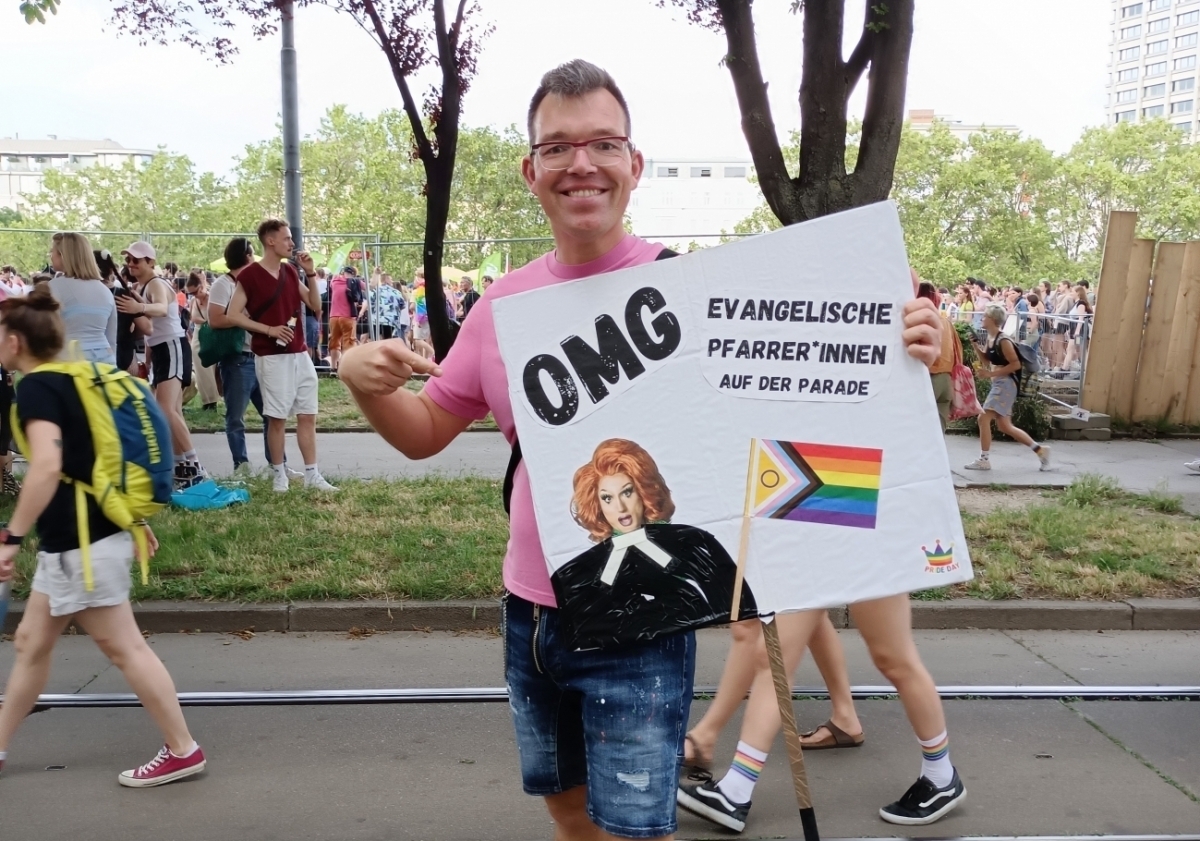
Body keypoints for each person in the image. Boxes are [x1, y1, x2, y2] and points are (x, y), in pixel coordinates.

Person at [339, 59, 944, 840]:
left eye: (602, 143)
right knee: (563, 804)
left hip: (639, 627)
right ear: (531, 171)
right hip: (529, 612)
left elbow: (814, 401)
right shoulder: (500, 305)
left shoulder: (694, 289)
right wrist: (365, 384)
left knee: (635, 827)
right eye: (557, 147)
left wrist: (918, 348)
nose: (580, 163)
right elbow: (425, 433)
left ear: (635, 165)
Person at [0, 287, 206, 787]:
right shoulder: (80, 380)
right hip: (85, 538)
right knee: (30, 642)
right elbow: (100, 458)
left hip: (80, 543)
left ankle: (182, 749)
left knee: (124, 648)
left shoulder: (36, 388)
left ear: (12, 343)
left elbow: (48, 466)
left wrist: (10, 537)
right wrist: (132, 520)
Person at [221, 220, 336, 493]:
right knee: (277, 417)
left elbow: (315, 306)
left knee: (307, 414)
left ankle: (312, 475)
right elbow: (233, 314)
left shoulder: (289, 270)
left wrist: (310, 274)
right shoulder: (249, 275)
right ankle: (279, 476)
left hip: (299, 354)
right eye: (286, 238)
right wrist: (269, 329)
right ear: (270, 241)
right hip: (270, 356)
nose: (292, 243)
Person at [114, 241, 206, 489]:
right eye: (129, 260)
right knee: (170, 412)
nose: (131, 264)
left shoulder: (155, 283)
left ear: (151, 262)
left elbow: (162, 308)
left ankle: (195, 468)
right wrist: (147, 360)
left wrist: (139, 307)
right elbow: (149, 332)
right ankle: (181, 467)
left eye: (137, 260)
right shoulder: (142, 286)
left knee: (166, 410)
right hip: (164, 350)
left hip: (173, 347)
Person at [207, 237, 302, 478]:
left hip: (261, 355)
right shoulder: (223, 284)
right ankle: (242, 467)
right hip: (238, 358)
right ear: (246, 256)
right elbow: (215, 319)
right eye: (253, 254)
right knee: (236, 417)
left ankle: (277, 466)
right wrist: (244, 317)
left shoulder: (256, 280)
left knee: (272, 413)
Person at [964, 305, 1051, 472]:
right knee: (1005, 426)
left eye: (984, 316)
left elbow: (1015, 364)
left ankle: (984, 460)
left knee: (983, 419)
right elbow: (987, 361)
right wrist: (975, 346)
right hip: (1000, 384)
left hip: (1005, 384)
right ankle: (1040, 451)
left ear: (993, 319)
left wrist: (989, 375)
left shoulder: (1003, 340)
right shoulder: (992, 338)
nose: (982, 319)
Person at [46, 233, 117, 366]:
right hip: (105, 361)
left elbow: (48, 332)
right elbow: (112, 338)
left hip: (70, 361)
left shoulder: (54, 287)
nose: (51, 256)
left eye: (52, 252)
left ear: (63, 255)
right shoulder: (105, 291)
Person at [918, 281, 959, 432]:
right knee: (939, 432)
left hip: (927, 378)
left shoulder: (922, 322)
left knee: (920, 428)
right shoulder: (947, 322)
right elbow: (957, 353)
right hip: (946, 380)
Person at [185, 271, 219, 411]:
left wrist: (206, 321)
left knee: (210, 369)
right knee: (200, 369)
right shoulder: (193, 301)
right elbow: (192, 319)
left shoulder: (212, 298)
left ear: (201, 286)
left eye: (196, 291)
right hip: (199, 334)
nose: (194, 295)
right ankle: (206, 400)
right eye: (191, 293)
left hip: (211, 334)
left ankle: (213, 400)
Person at [327, 266, 363, 373]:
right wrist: (376, 274)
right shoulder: (355, 281)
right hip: (348, 316)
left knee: (334, 342)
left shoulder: (334, 280)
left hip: (333, 316)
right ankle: (346, 368)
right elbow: (372, 286)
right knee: (349, 342)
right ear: (354, 274)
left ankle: (333, 368)